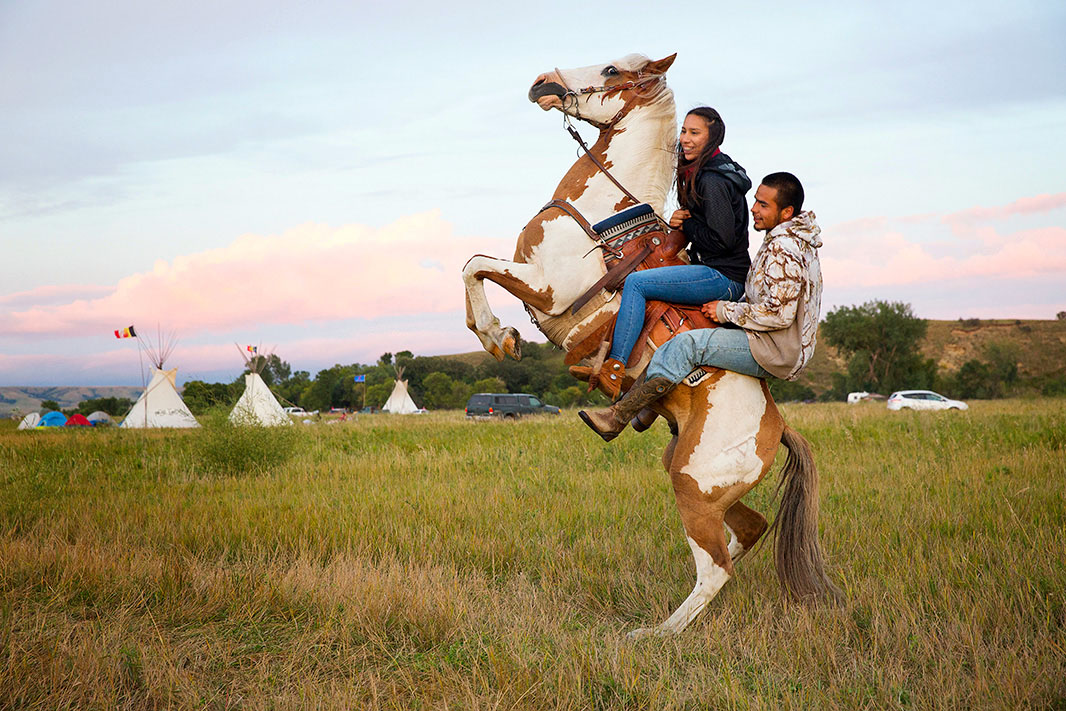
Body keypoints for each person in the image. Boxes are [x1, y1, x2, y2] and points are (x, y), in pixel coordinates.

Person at [580, 172, 822, 441]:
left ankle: (617, 417)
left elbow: (779, 314)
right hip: (770, 339)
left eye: (764, 205)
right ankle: (649, 408)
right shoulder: (787, 239)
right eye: (755, 201)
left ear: (787, 212)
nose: (753, 209)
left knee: (686, 346)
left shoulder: (784, 248)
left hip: (774, 349)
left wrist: (724, 310)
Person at [588, 107, 752, 399]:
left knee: (637, 283)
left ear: (712, 137)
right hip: (715, 268)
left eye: (695, 133)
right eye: (684, 131)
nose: (686, 139)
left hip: (724, 277)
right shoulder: (701, 171)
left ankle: (615, 369)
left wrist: (687, 225)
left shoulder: (712, 181)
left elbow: (723, 240)